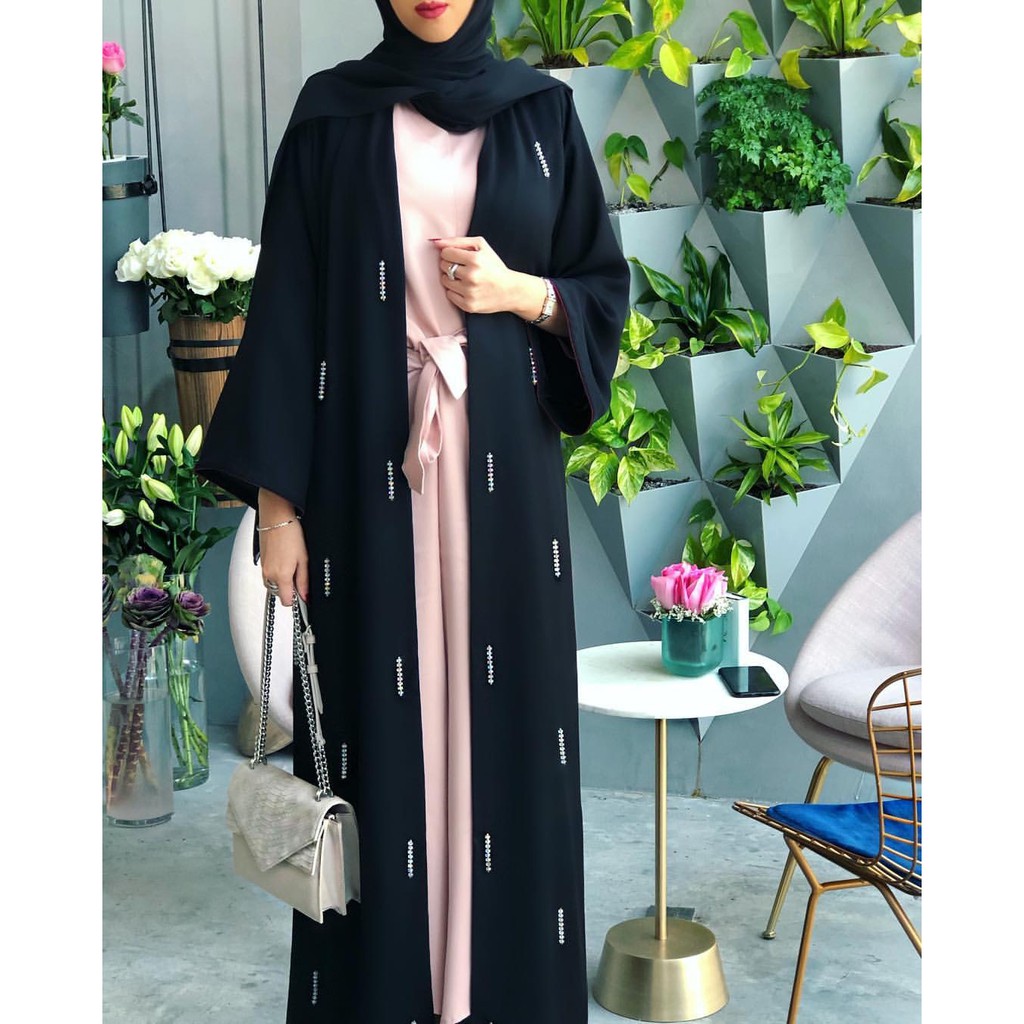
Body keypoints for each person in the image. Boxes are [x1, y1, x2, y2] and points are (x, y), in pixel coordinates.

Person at [198, 2, 630, 1021]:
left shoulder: (540, 113)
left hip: (505, 488)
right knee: (372, 734)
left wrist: (518, 291)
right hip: (365, 481)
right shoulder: (332, 115)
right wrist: (278, 511)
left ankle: (501, 992)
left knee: (507, 728)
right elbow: (287, 313)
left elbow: (599, 287)